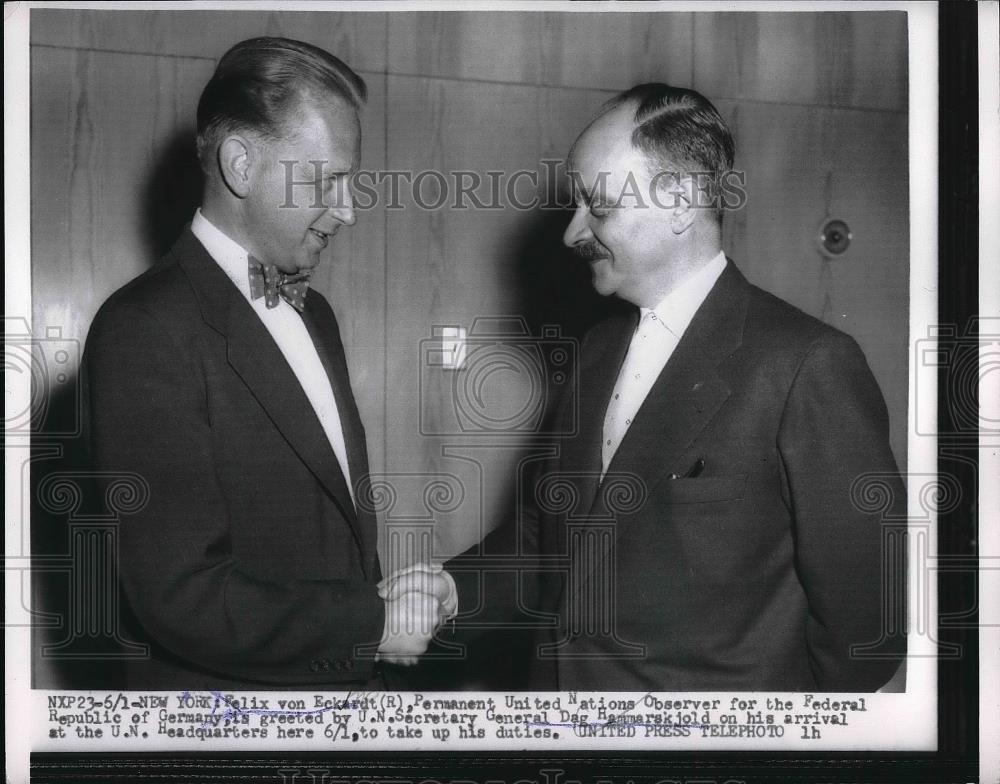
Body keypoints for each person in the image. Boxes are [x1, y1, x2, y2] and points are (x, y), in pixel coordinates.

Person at [416, 83, 906, 691]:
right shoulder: (595, 354)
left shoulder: (807, 365)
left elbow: (866, 637)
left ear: (678, 200)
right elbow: (550, 543)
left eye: (597, 206)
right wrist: (451, 588)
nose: (573, 233)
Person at [82, 37, 454, 689]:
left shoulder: (318, 316)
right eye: (327, 180)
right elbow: (181, 597)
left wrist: (380, 609)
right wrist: (371, 625)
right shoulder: (142, 328)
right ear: (241, 165)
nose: (349, 209)